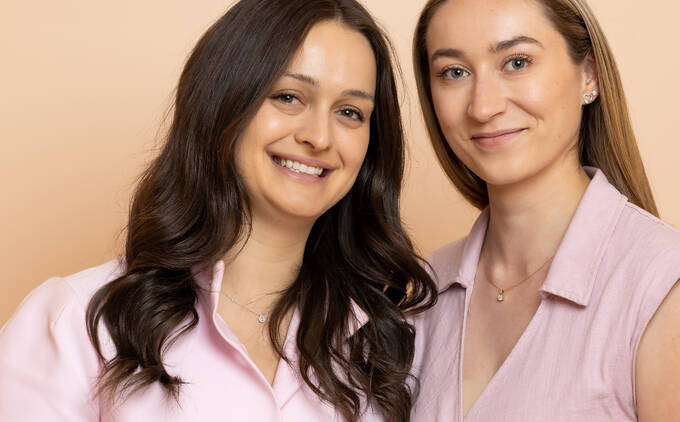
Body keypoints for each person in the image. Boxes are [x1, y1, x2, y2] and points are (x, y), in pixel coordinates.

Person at [0, 0, 436, 421]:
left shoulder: (389, 343)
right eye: (287, 97)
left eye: (350, 112)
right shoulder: (74, 322)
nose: (320, 137)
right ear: (223, 103)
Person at [409, 0, 680, 420]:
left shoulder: (668, 293)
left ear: (588, 73)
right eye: (454, 72)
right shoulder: (424, 290)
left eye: (517, 62)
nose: (483, 107)